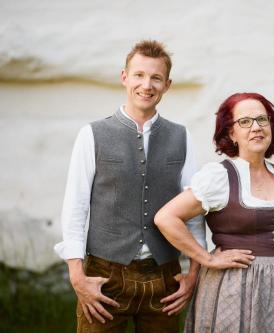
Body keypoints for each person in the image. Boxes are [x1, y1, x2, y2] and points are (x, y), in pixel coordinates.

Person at [54, 40, 206, 333]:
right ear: (124, 77)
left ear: (167, 84)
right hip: (105, 276)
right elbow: (76, 205)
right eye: (139, 75)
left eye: (156, 77)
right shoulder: (92, 134)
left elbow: (194, 210)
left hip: (165, 279)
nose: (146, 85)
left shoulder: (181, 136)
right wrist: (77, 276)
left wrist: (194, 273)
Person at [154, 92, 274, 333]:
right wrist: (208, 258)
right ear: (231, 133)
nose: (256, 127)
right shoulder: (219, 176)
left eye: (262, 119)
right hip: (233, 285)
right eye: (245, 122)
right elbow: (166, 218)